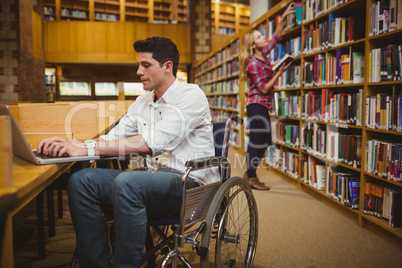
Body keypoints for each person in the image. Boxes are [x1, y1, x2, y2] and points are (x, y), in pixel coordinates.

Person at [37, 36, 219, 267]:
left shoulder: (191, 95)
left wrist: (87, 147)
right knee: (81, 180)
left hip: (189, 183)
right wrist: (71, 145)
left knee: (128, 182)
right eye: (138, 65)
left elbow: (152, 142)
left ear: (167, 66)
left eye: (145, 65)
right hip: (151, 180)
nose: (138, 71)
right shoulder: (142, 102)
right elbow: (111, 139)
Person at [239, 4, 295, 191]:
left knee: (266, 141)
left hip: (263, 105)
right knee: (257, 140)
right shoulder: (253, 64)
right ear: (253, 45)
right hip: (256, 104)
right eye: (260, 37)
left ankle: (249, 173)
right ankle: (252, 177)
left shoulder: (263, 56)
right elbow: (263, 89)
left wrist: (284, 16)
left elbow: (276, 37)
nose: (265, 38)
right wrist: (279, 73)